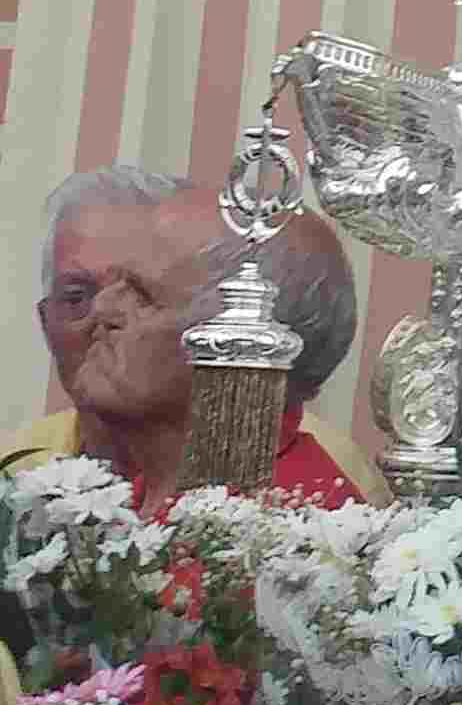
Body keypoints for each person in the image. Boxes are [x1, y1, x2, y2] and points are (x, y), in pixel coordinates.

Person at [14, 166, 367, 508]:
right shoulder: (147, 490)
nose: (102, 310)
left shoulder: (280, 529)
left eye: (141, 295)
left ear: (237, 346)